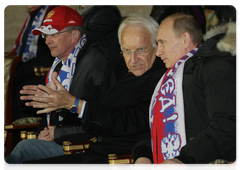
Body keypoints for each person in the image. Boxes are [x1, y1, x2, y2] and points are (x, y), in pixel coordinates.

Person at [3, 13, 166, 170]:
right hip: (96, 150)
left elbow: (128, 120)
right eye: (127, 50)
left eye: (141, 50)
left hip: (120, 157)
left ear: (156, 46)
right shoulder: (117, 64)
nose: (133, 59)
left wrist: (72, 103)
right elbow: (94, 99)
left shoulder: (161, 76)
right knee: (36, 165)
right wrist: (59, 102)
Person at [1, 5, 107, 170]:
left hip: (82, 146)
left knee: (23, 150)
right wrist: (43, 131)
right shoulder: (60, 65)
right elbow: (54, 117)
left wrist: (56, 134)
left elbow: (98, 121)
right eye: (46, 34)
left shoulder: (93, 65)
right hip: (63, 140)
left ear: (75, 35)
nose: (47, 40)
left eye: (54, 34)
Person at [133, 12, 240, 170]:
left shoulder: (218, 65)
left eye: (162, 42)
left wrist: (186, 159)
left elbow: (228, 122)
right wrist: (143, 155)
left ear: (185, 39)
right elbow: (160, 128)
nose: (158, 52)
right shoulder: (171, 77)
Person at [11, 0, 60, 121]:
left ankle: (19, 133)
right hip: (29, 67)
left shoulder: (52, 13)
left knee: (20, 90)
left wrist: (18, 70)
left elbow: (48, 54)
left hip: (44, 69)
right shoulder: (34, 14)